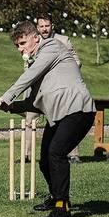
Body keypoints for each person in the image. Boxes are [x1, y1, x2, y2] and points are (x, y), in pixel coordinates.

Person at [0, 20, 96, 217]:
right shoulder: (40, 64)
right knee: (45, 161)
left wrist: (7, 96)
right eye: (17, 46)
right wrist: (11, 107)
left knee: (56, 153)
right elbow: (33, 103)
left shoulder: (51, 47)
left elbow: (30, 76)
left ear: (35, 37)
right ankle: (54, 197)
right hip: (59, 115)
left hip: (79, 110)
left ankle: (62, 206)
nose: (20, 49)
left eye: (22, 43)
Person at [37, 15, 84, 163]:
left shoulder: (63, 40)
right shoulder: (35, 42)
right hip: (40, 88)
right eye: (41, 26)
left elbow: (76, 60)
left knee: (66, 118)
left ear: (52, 26)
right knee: (30, 119)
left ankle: (73, 154)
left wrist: (67, 74)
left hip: (61, 88)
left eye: (47, 26)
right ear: (37, 28)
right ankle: (28, 154)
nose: (44, 29)